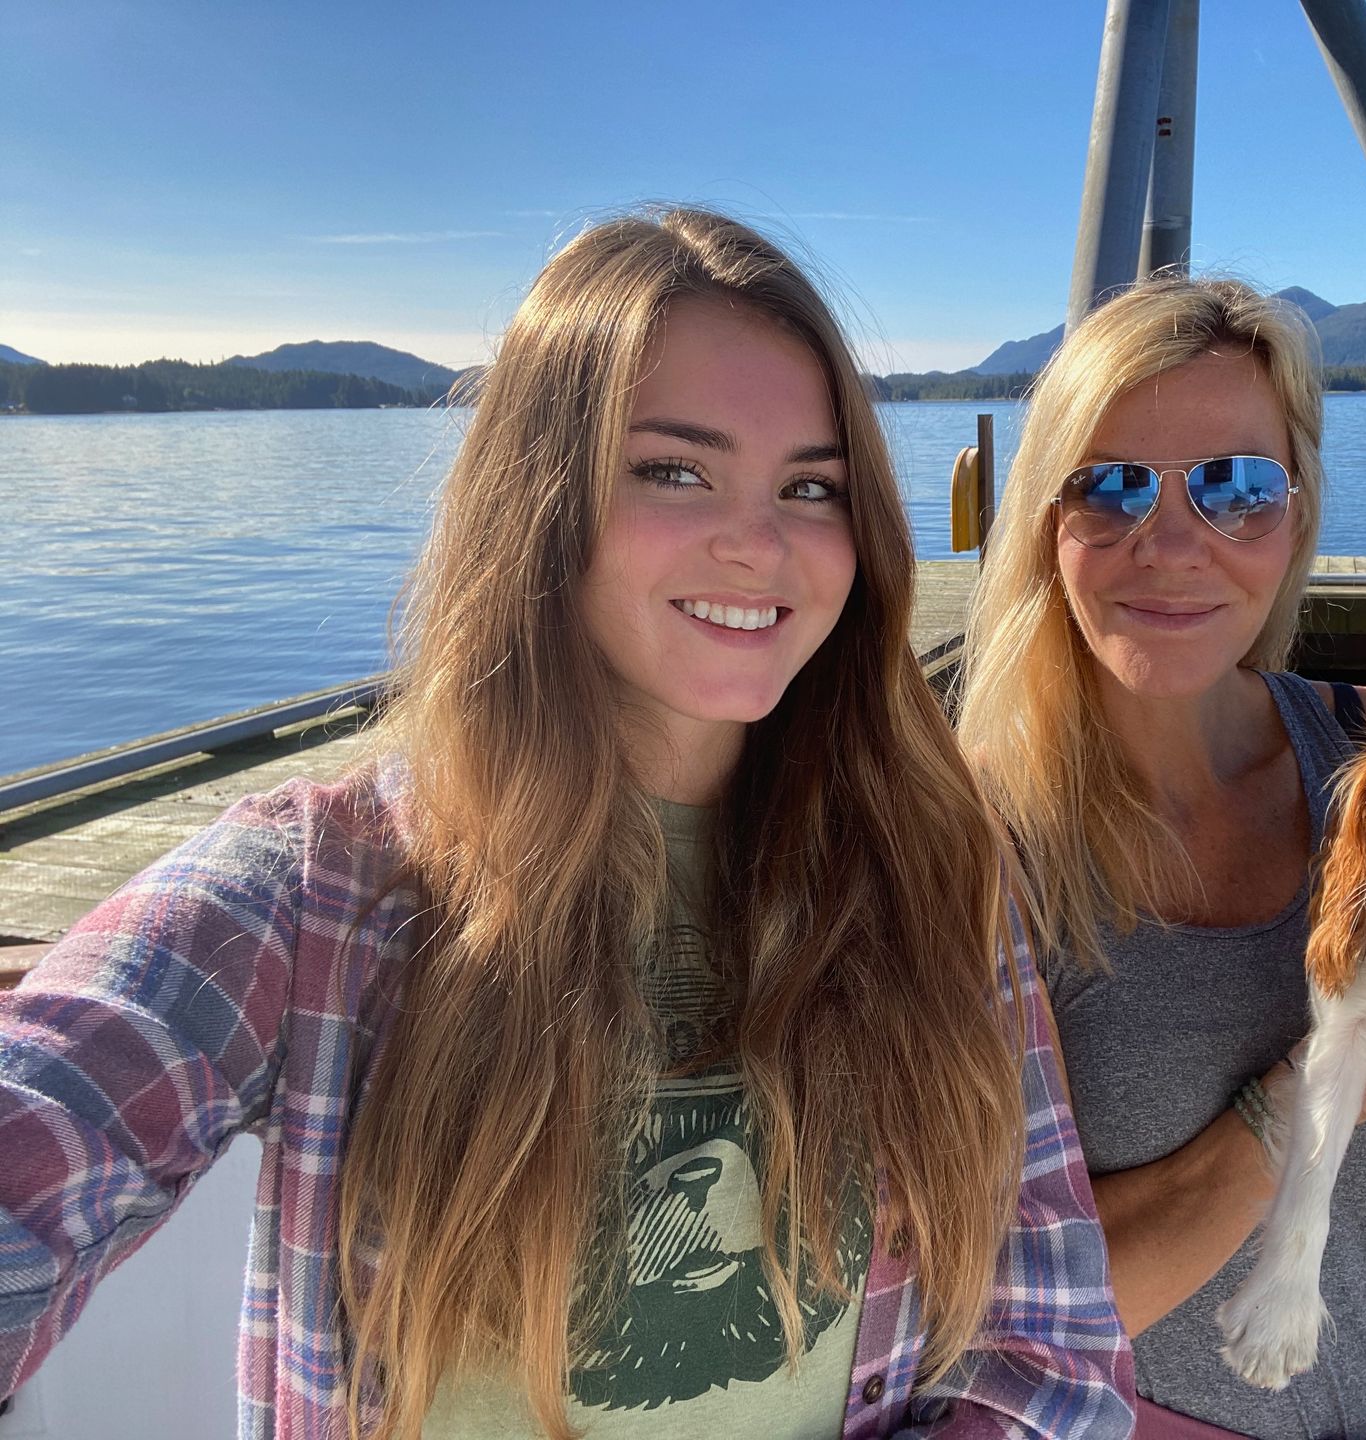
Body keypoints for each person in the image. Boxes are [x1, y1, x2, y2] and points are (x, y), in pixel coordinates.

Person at [0, 209, 1133, 1440]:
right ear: (540, 502)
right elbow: (47, 1121)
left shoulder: (933, 875)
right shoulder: (317, 895)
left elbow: (1051, 1351)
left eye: (813, 487)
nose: (759, 544)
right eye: (674, 469)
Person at [958, 276, 1366, 1440]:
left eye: (1240, 488)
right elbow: (986, 1322)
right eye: (1111, 486)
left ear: (1297, 514)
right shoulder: (970, 847)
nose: (1177, 546)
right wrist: (1304, 1102)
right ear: (1046, 519)